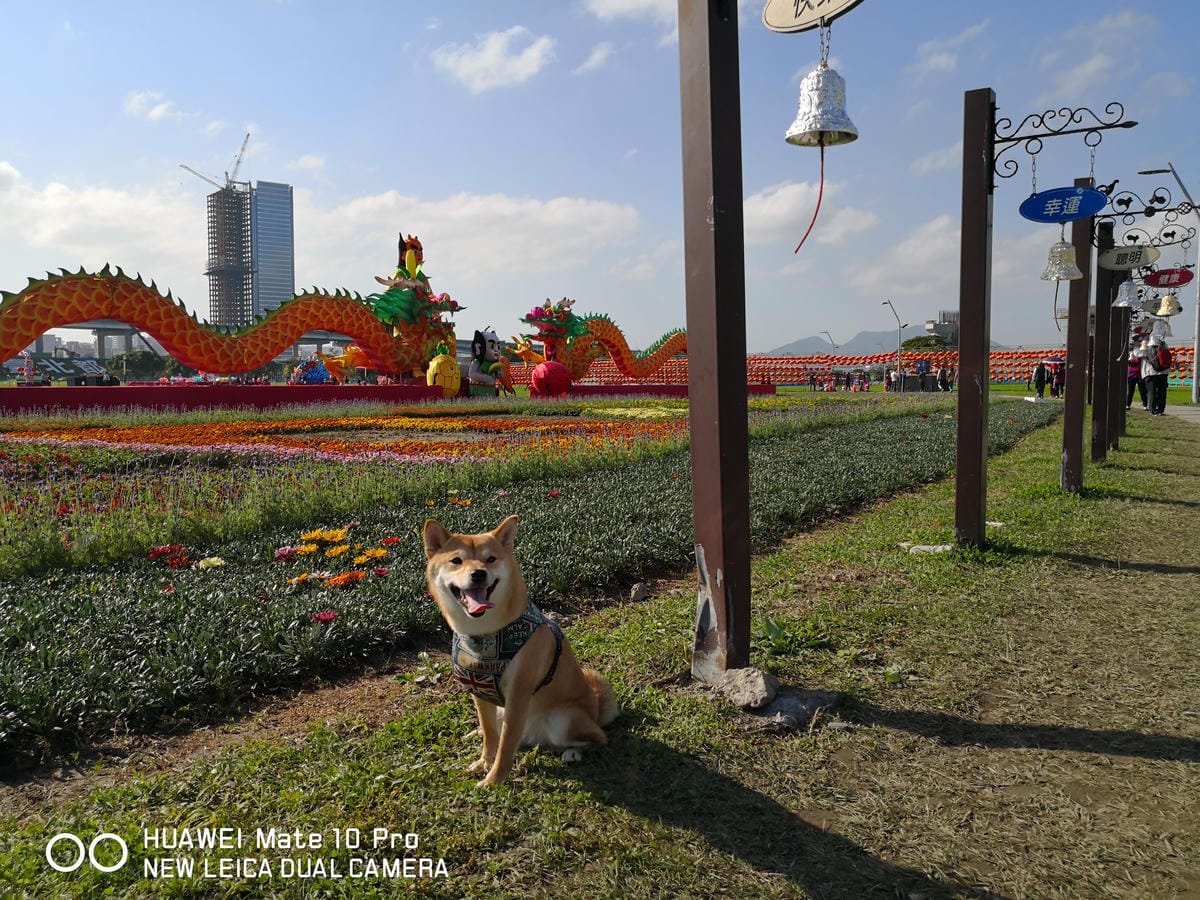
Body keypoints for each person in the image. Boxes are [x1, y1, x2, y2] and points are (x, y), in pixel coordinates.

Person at [1138, 338, 1170, 415]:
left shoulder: (1146, 348)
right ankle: (1161, 410)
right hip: (1164, 372)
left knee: (1152, 392)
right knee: (1162, 392)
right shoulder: (1164, 346)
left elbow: (1135, 355)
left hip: (1150, 373)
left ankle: (1152, 409)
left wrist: (1140, 345)